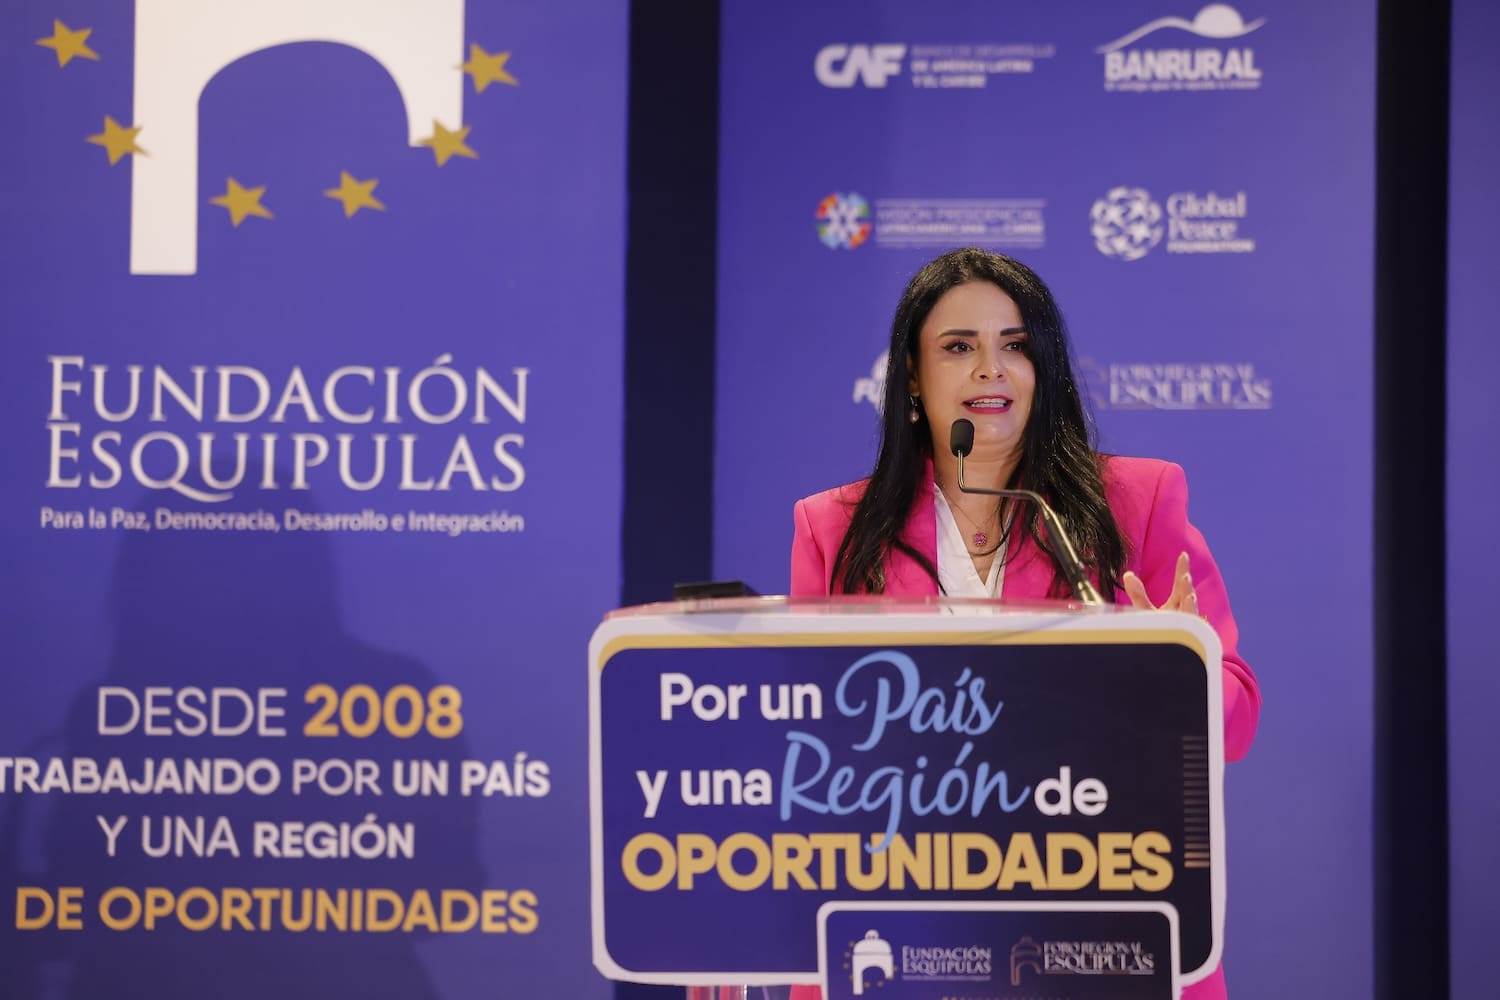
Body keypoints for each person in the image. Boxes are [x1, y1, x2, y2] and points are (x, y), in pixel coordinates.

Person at [788, 247, 1261, 1000]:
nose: (990, 370)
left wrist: (1176, 669)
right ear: (911, 376)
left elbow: (1233, 726)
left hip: (1097, 916)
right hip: (910, 921)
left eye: (1015, 346)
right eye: (958, 347)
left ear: (1045, 369)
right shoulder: (836, 531)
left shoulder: (1135, 505)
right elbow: (813, 745)